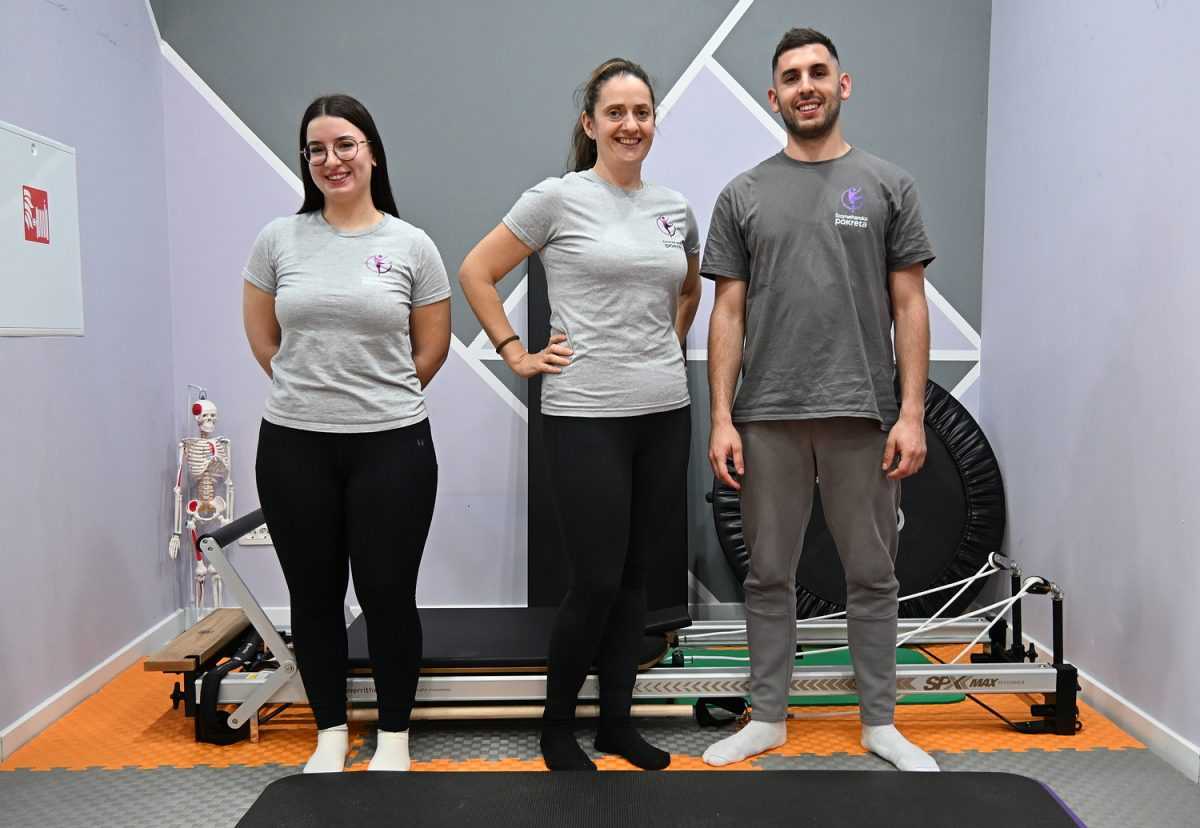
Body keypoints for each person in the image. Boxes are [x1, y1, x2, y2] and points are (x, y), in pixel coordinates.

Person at [701, 28, 939, 772]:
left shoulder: (889, 185)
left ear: (843, 84)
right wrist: (720, 417)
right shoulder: (742, 194)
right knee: (768, 576)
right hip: (766, 416)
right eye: (791, 77)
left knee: (872, 576)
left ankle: (880, 724)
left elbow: (910, 304)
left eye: (817, 72)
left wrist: (911, 413)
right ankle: (769, 717)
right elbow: (727, 313)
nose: (805, 85)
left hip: (861, 413)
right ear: (773, 96)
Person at [459, 58, 700, 771]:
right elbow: (476, 271)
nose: (631, 125)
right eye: (616, 113)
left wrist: (665, 343)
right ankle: (556, 727)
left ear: (654, 122)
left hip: (665, 413)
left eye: (642, 112)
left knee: (636, 580)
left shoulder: (674, 208)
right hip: (585, 415)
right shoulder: (557, 199)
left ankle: (616, 725)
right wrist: (514, 350)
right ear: (590, 124)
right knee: (595, 580)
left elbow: (688, 289)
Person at [242, 93, 451, 773]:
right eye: (316, 149)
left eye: (344, 145)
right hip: (293, 446)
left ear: (372, 153)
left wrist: (374, 397)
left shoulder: (411, 245)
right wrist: (314, 392)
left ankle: (393, 738)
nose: (330, 160)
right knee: (313, 597)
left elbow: (431, 349)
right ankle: (330, 732)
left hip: (392, 447)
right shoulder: (278, 240)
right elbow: (264, 339)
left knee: (387, 595)